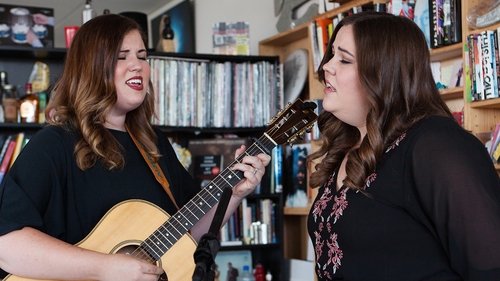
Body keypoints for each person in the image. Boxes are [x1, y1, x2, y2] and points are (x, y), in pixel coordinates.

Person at [0, 14, 270, 280]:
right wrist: (105, 267)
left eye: (142, 56)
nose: (137, 65)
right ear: (90, 66)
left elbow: (185, 236)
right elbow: (7, 246)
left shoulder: (154, 144)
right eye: (122, 56)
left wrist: (232, 195)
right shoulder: (54, 144)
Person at [307, 11, 500, 281]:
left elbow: (491, 266)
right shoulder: (346, 146)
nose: (326, 66)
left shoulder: (436, 146)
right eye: (331, 55)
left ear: (384, 73)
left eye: (344, 59)